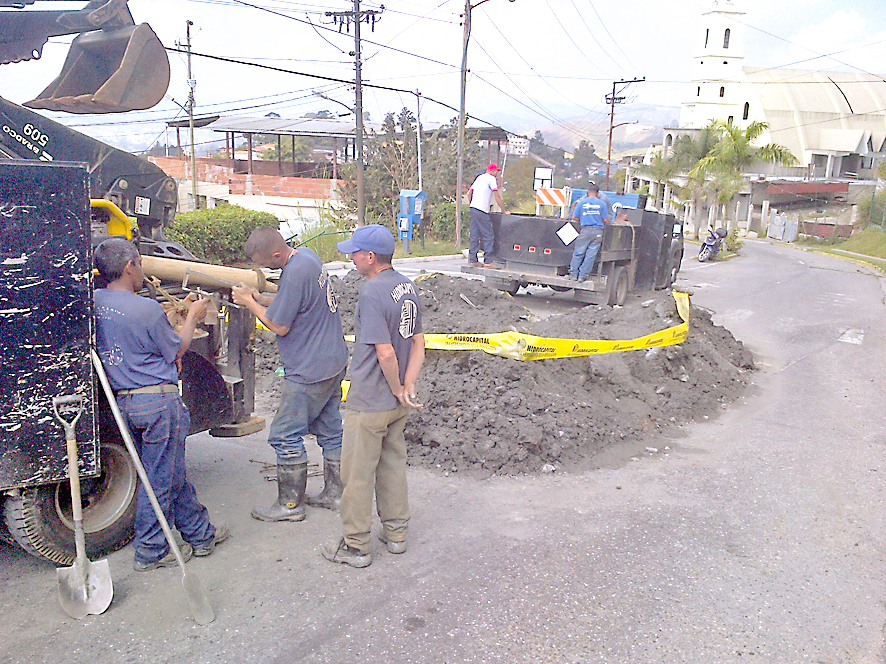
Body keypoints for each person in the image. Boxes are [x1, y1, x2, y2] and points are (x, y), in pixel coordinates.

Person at [93, 238, 228, 571]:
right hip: (158, 403)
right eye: (139, 264)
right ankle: (151, 550)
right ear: (129, 267)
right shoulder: (145, 309)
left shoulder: (94, 302)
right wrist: (192, 316)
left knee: (167, 471)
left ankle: (201, 534)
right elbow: (177, 350)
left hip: (123, 403)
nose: (142, 271)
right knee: (160, 479)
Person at [322, 225, 425, 569]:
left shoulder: (371, 293)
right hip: (397, 405)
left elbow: (384, 353)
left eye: (354, 252)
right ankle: (396, 535)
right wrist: (407, 387)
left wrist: (396, 386)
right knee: (393, 467)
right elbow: (418, 343)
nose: (350, 258)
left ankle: (356, 546)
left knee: (357, 475)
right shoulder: (406, 286)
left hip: (369, 401)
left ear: (370, 257)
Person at [232, 227, 348, 522]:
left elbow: (279, 325)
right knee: (330, 429)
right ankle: (336, 494)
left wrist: (249, 303)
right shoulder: (306, 259)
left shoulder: (293, 273)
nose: (262, 268)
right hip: (332, 361)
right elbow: (292, 301)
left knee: (284, 435)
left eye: (264, 262)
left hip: (309, 370)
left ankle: (290, 506)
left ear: (276, 254)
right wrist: (259, 297)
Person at [467, 163, 507, 269]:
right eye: (497, 172)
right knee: (488, 235)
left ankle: (473, 260)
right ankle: (488, 261)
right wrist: (504, 211)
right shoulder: (491, 179)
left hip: (473, 208)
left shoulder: (479, 178)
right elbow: (497, 196)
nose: (497, 174)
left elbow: (469, 193)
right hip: (481, 210)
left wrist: (472, 204)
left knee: (474, 234)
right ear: (493, 171)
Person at [569, 183, 611, 281]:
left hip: (585, 230)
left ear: (588, 192)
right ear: (597, 193)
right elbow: (606, 219)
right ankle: (582, 276)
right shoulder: (602, 204)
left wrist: (583, 218)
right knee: (590, 256)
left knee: (578, 253)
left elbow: (574, 217)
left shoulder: (582, 202)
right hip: (597, 232)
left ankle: (573, 275)